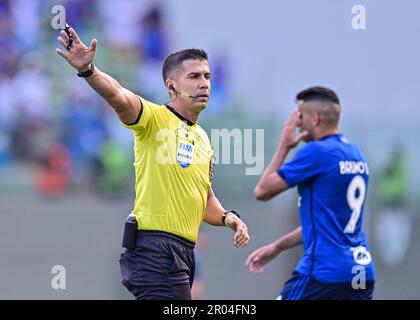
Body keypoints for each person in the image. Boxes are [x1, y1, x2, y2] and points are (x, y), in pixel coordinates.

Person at [55, 26, 250, 300]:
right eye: (194, 76)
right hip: (155, 248)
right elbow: (119, 96)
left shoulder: (203, 139)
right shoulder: (154, 119)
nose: (204, 83)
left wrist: (230, 218)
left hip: (184, 252)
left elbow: (205, 200)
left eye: (207, 76)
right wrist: (89, 71)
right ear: (171, 86)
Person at [246, 87, 375, 300]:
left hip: (324, 273)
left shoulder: (317, 152)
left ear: (314, 119)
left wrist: (284, 146)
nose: (296, 123)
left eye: (300, 116)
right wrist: (277, 247)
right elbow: (325, 223)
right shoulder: (355, 153)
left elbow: (262, 190)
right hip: (360, 271)